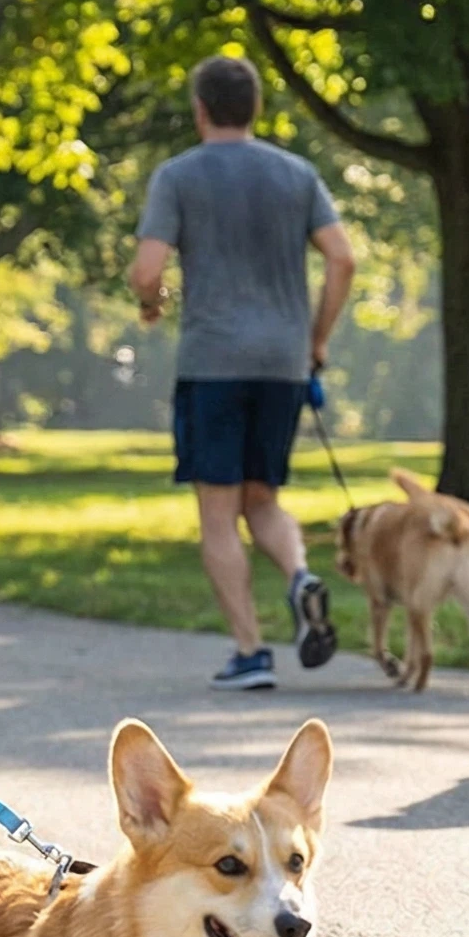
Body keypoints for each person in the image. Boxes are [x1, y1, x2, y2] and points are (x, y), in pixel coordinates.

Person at [128, 54, 356, 690]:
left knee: (219, 511)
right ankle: (299, 577)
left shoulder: (178, 176)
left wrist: (152, 304)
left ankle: (252, 653)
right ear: (255, 107)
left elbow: (148, 272)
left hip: (215, 365)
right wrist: (314, 341)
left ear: (200, 110)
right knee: (265, 498)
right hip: (283, 365)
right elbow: (342, 259)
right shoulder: (297, 174)